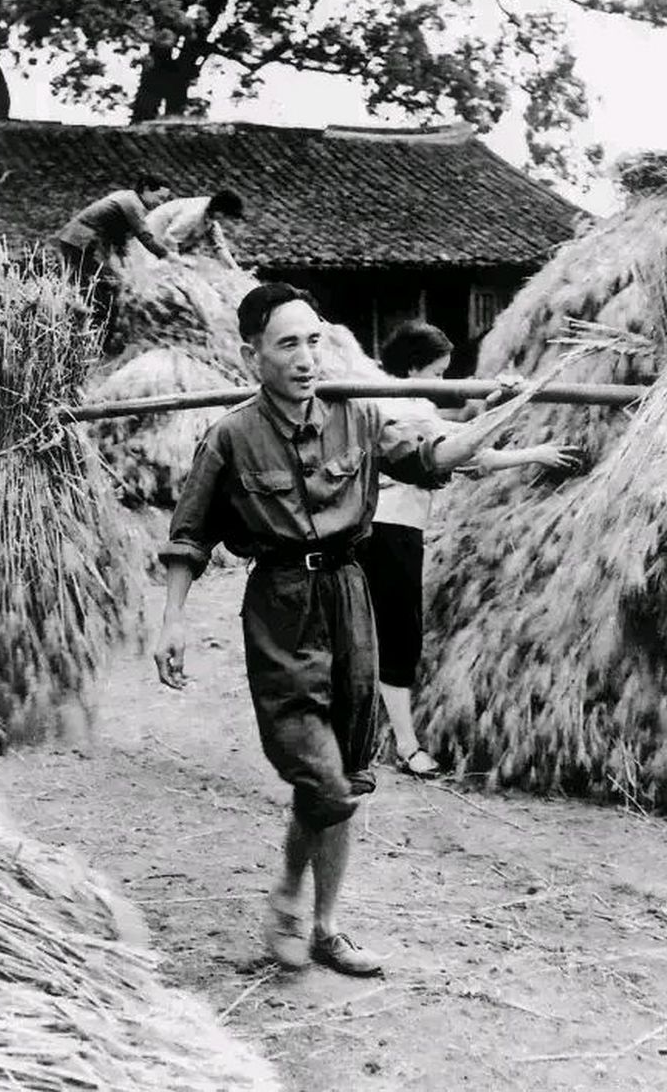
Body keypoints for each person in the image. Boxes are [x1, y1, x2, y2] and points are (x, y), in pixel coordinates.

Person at [153, 283, 535, 978]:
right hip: (282, 605)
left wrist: (508, 409)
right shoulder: (231, 437)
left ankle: (325, 926)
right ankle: (289, 898)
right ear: (253, 356)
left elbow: (435, 458)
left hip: (349, 595)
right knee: (319, 775)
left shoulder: (358, 416)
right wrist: (173, 622)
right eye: (287, 345)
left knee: (348, 776)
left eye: (313, 342)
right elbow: (188, 539)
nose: (305, 359)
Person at [360, 320, 580, 778]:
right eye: (438, 373)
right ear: (415, 367)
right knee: (399, 636)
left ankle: (378, 736)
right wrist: (530, 446)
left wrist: (496, 405)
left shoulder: (397, 403)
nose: (441, 383)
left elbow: (459, 438)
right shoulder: (400, 405)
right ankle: (405, 745)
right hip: (389, 531)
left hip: (390, 529)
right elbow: (466, 453)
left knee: (383, 633)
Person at [52, 173, 173, 343]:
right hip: (79, 243)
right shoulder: (131, 203)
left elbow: (121, 241)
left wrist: (128, 269)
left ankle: (100, 333)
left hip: (85, 244)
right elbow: (145, 237)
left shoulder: (128, 199)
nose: (160, 204)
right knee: (105, 288)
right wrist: (169, 257)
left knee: (111, 285)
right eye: (159, 198)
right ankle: (95, 337)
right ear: (146, 189)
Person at [145, 189, 244, 269]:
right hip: (149, 242)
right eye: (226, 216)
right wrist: (180, 262)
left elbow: (220, 247)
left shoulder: (210, 214)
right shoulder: (194, 214)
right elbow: (170, 238)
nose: (225, 220)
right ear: (219, 209)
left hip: (163, 243)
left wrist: (236, 270)